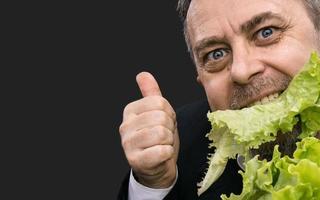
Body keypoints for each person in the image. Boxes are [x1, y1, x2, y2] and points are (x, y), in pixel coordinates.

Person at [117, 0, 320, 199]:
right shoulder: (180, 147)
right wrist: (154, 185)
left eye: (266, 32)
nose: (241, 71)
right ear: (199, 75)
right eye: (216, 54)